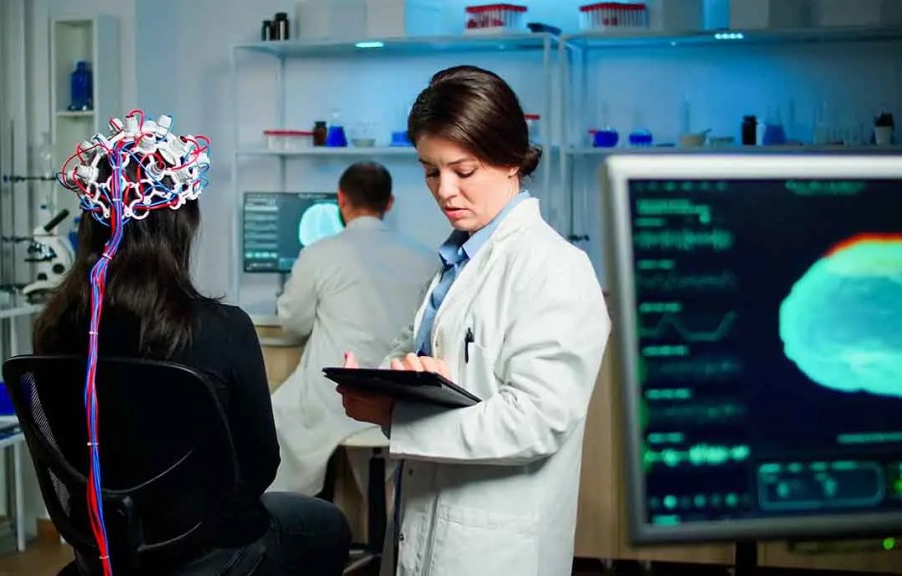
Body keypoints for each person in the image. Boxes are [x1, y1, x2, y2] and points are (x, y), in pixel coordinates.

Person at [33, 111, 351, 575]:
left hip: (103, 550)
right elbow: (261, 464)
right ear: (182, 226)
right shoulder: (223, 328)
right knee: (326, 524)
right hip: (211, 551)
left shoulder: (56, 329)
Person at [336, 67, 611, 576]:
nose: (444, 191)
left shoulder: (555, 268)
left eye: (463, 171)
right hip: (424, 523)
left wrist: (397, 417)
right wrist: (385, 376)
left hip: (495, 547)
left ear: (510, 158)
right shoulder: (454, 266)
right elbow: (427, 360)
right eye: (430, 171)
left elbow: (536, 421)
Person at [270, 161, 440, 496]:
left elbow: (293, 322)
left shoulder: (319, 254)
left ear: (340, 199)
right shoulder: (427, 258)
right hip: (396, 401)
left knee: (270, 419)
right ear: (388, 203)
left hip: (334, 398)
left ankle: (295, 528)